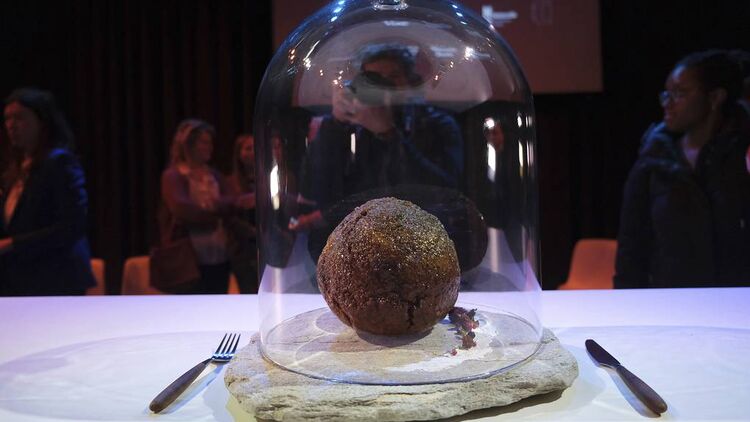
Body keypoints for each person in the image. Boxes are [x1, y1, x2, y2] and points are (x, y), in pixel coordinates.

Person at [293, 43, 464, 232]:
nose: (383, 86)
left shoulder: (437, 124)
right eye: (373, 79)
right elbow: (315, 192)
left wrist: (388, 134)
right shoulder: (348, 125)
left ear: (410, 82)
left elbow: (446, 193)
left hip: (422, 234)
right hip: (357, 234)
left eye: (393, 77)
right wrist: (335, 124)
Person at [615, 50, 750, 288]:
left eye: (679, 94)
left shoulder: (742, 155)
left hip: (735, 301)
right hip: (672, 302)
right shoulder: (653, 159)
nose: (668, 103)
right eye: (666, 94)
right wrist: (626, 301)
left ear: (715, 97)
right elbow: (632, 245)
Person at [0, 88, 96, 296]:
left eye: (19, 118)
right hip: (21, 278)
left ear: (41, 121)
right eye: (7, 118)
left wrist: (12, 244)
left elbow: (72, 225)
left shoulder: (59, 162)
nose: (11, 125)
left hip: (57, 277)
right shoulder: (15, 169)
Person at [156, 119, 240, 293]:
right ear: (188, 145)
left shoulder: (213, 175)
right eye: (204, 142)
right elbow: (182, 209)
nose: (209, 148)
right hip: (189, 258)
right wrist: (215, 212)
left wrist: (217, 205)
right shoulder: (174, 175)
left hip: (218, 253)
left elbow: (233, 200)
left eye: (210, 143)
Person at [225, 134, 258, 293]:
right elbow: (229, 217)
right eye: (248, 148)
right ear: (239, 153)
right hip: (242, 247)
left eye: (255, 147)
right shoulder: (230, 182)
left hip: (266, 247)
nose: (253, 152)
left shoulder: (267, 180)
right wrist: (253, 231)